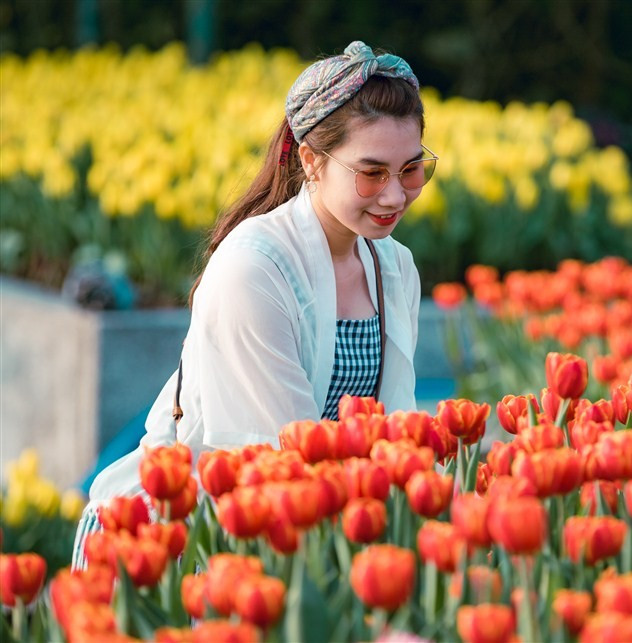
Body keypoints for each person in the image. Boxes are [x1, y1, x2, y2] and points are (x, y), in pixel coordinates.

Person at [71, 41, 434, 567]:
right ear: (311, 160)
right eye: (372, 172)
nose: (395, 196)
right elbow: (280, 453)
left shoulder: (394, 269)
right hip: (176, 546)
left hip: (307, 535)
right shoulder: (255, 269)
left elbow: (394, 437)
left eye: (411, 170)